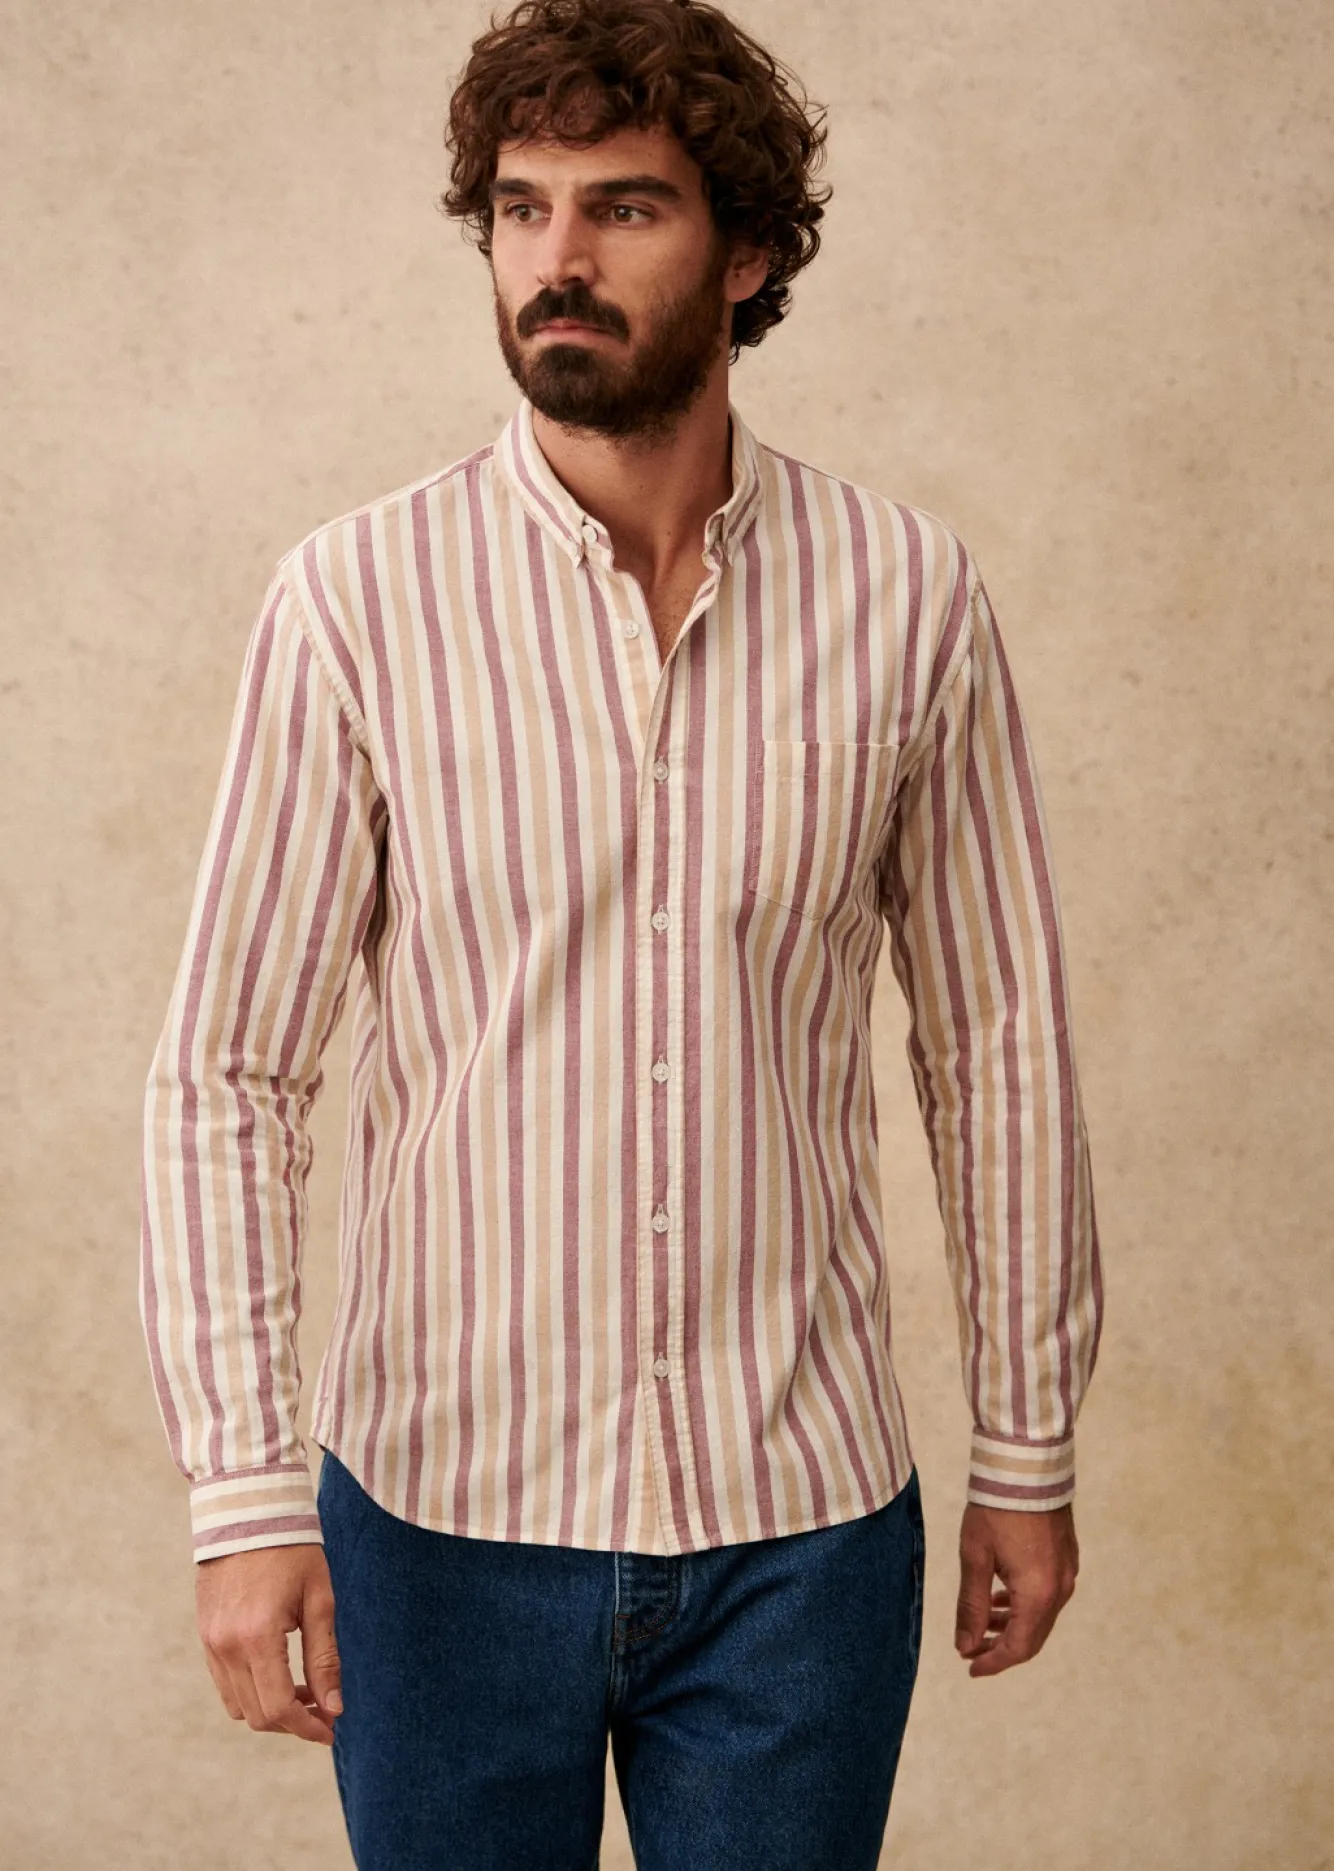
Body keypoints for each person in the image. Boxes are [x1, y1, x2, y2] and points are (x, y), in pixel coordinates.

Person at [138, 1, 1103, 1865]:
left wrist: (1025, 1442)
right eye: (520, 208)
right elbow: (227, 1073)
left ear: (746, 253)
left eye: (623, 208)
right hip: (435, 1526)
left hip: (800, 1529)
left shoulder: (909, 598)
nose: (554, 259)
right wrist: (244, 1490)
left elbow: (997, 1047)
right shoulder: (354, 602)